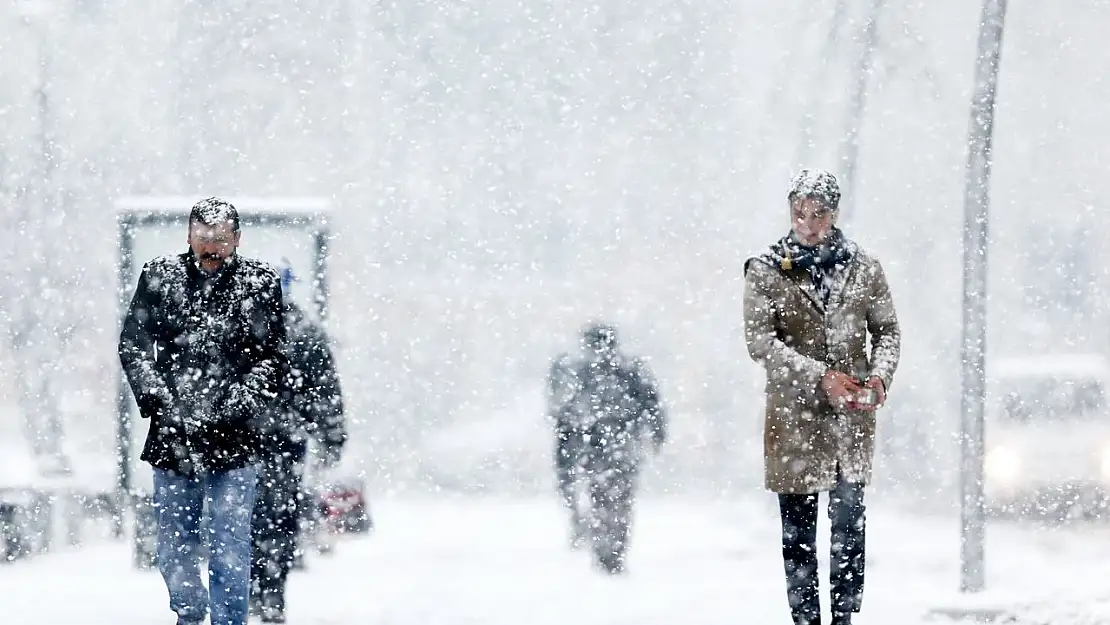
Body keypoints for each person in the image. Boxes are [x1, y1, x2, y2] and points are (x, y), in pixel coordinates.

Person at [118, 197, 287, 625]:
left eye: (221, 239)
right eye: (203, 238)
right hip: (173, 438)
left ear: (237, 239)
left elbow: (272, 357)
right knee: (175, 547)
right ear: (189, 236)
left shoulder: (260, 283)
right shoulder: (160, 277)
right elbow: (134, 346)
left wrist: (239, 404)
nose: (212, 248)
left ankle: (230, 621)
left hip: (235, 438)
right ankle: (189, 615)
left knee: (231, 544)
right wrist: (159, 398)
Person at [742, 169, 900, 625]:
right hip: (793, 422)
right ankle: (806, 620)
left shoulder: (864, 268)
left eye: (819, 214)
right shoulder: (768, 269)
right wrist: (819, 376)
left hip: (852, 421)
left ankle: (845, 618)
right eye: (799, 214)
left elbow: (886, 330)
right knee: (799, 535)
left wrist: (879, 378)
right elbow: (761, 343)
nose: (808, 224)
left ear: (835, 213)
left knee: (850, 529)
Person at [250, 263, 347, 623]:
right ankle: (272, 590)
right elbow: (326, 392)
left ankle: (250, 589)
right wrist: (331, 436)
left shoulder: (241, 327)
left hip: (241, 443)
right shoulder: (304, 331)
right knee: (278, 518)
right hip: (285, 442)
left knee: (244, 518)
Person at [559, 322, 666, 574]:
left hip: (595, 448)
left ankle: (605, 549)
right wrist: (656, 434)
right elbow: (652, 404)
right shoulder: (629, 370)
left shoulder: (582, 373)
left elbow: (567, 416)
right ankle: (614, 549)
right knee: (619, 501)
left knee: (601, 499)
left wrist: (569, 450)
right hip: (623, 446)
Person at [547, 351, 586, 547]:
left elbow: (555, 404)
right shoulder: (576, 369)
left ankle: (580, 520)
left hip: (571, 436)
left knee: (569, 483)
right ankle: (584, 521)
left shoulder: (569, 368)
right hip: (581, 438)